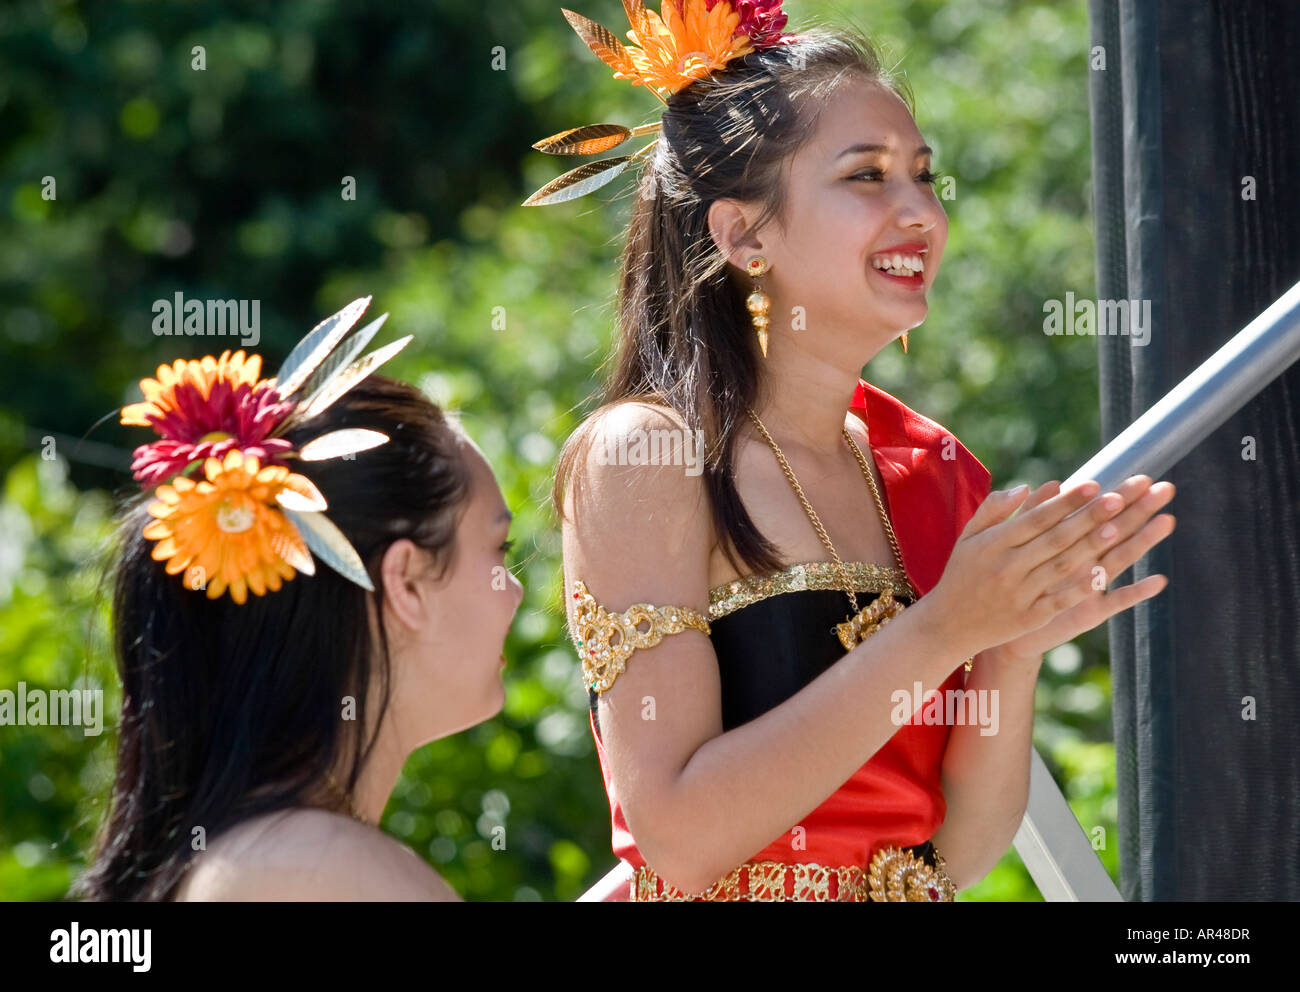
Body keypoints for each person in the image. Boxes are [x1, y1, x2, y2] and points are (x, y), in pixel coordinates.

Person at [532, 4, 1177, 900]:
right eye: (867, 176)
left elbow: (948, 856)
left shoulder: (925, 468)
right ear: (743, 235)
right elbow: (678, 834)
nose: (920, 210)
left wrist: (1010, 648)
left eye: (923, 174)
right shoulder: (650, 456)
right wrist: (945, 626)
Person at [72, 299, 523, 901]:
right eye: (500, 547)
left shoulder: (271, 855)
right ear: (406, 582)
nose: (514, 591)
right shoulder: (318, 870)